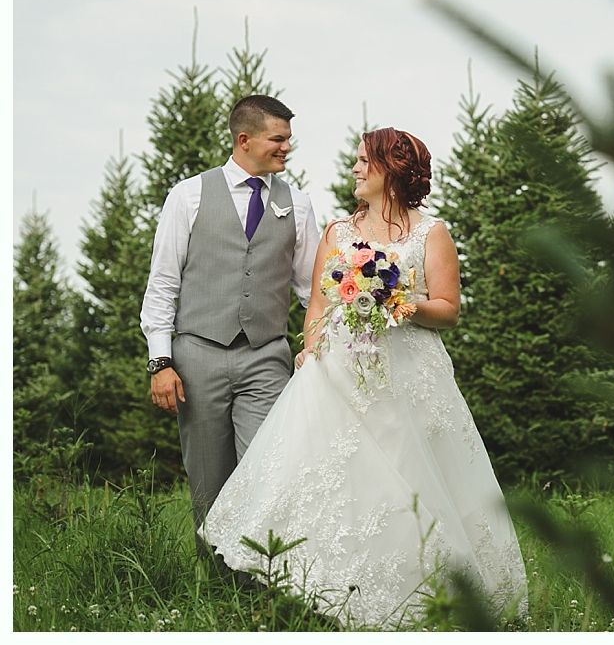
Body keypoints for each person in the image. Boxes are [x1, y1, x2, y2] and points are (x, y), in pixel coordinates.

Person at [199, 127, 528, 627]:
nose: (354, 168)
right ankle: (326, 592)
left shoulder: (431, 233)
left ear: (390, 170)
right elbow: (317, 303)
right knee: (334, 479)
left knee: (407, 476)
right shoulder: (337, 232)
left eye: (363, 161)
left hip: (407, 374)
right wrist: (310, 349)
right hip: (337, 371)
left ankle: (421, 597)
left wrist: (400, 302)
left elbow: (448, 309)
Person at [140, 95, 320, 558]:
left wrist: (330, 344)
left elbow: (311, 291)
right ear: (244, 140)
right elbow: (163, 284)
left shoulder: (298, 205)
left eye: (288, 139)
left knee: (269, 472)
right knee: (207, 479)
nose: (286, 148)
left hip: (267, 356)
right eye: (277, 139)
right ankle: (214, 585)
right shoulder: (189, 195)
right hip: (198, 355)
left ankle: (265, 579)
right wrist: (161, 361)